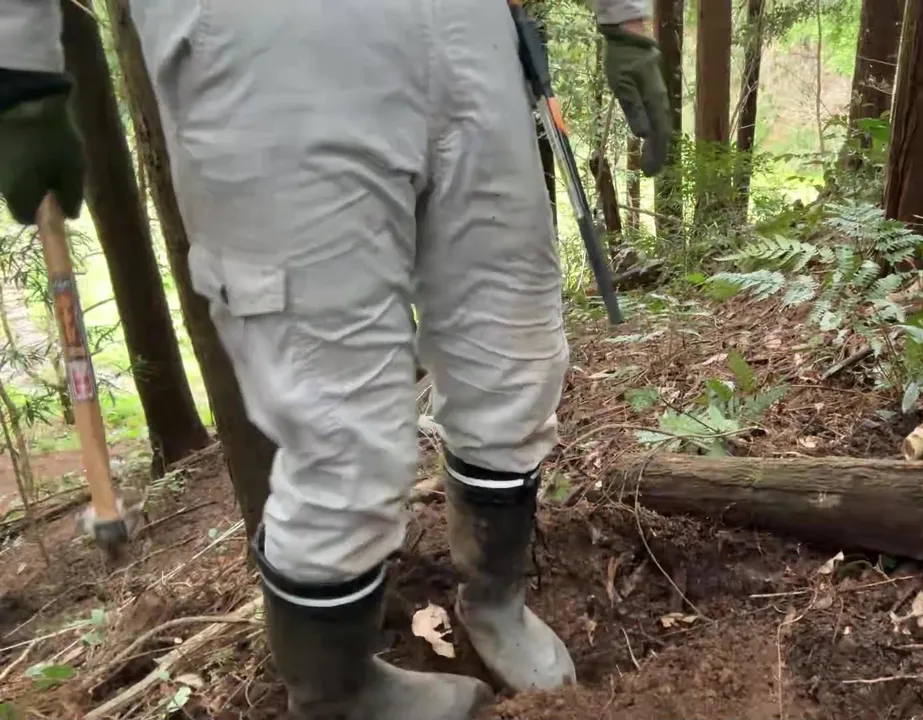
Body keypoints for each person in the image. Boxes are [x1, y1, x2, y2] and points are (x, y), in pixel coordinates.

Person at [0, 1, 671, 718]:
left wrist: (624, 19)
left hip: (472, 32)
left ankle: (496, 599)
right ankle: (339, 692)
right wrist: (20, 72)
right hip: (264, 47)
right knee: (337, 419)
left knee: (513, 352)